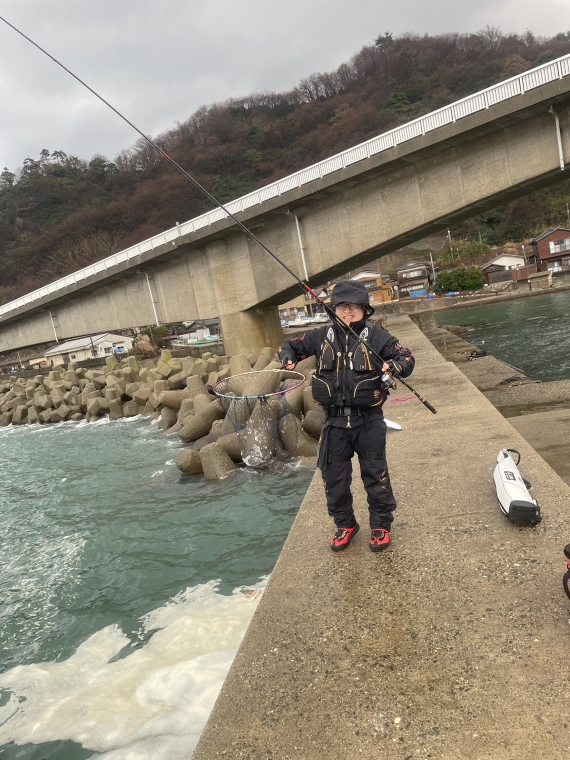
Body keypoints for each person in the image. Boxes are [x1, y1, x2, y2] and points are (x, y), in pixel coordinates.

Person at [278, 280, 415, 552]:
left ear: (365, 309)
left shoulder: (378, 337)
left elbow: (407, 358)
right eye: (342, 306)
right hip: (334, 423)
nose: (348, 311)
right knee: (334, 479)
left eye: (354, 306)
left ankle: (381, 524)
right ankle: (345, 524)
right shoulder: (320, 336)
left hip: (369, 421)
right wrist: (287, 357)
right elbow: (289, 346)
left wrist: (394, 366)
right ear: (334, 309)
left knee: (375, 475)